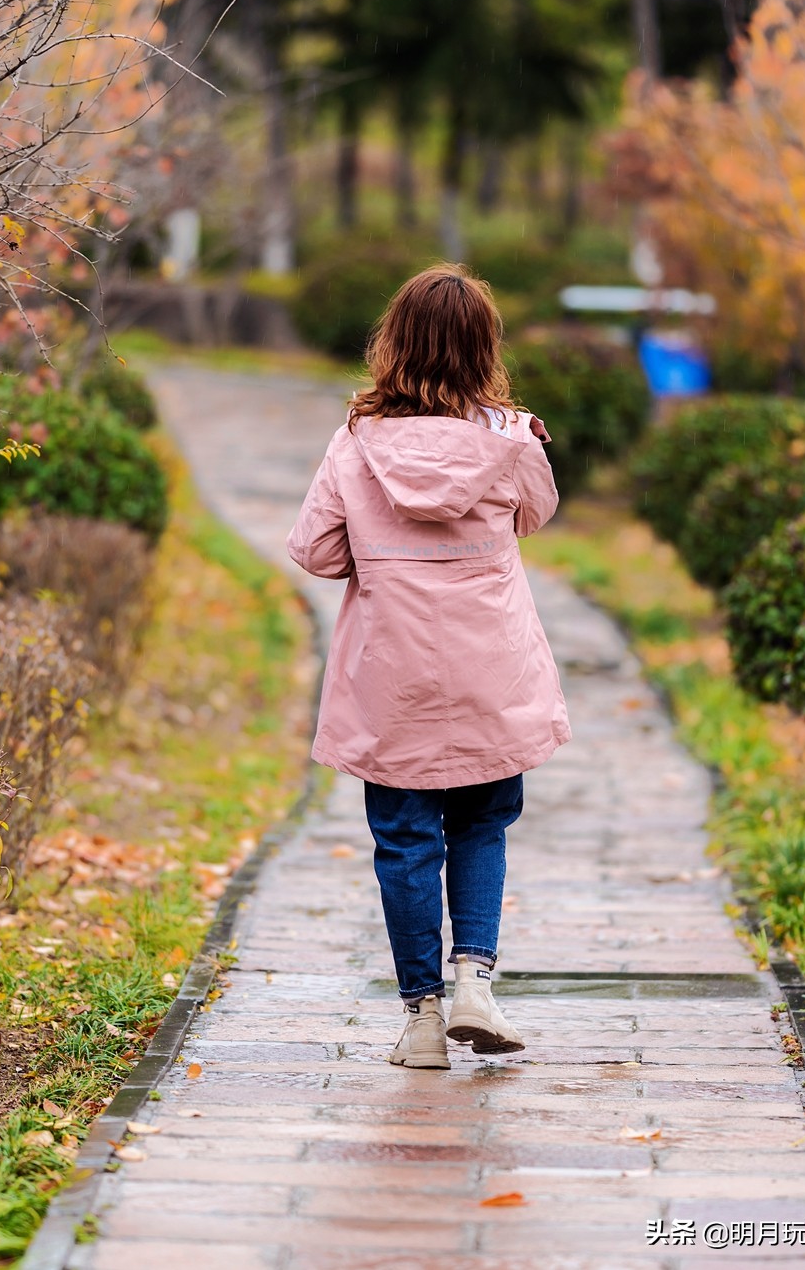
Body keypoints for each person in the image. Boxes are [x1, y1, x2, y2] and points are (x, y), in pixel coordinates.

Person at [286, 263, 571, 1070]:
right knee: (482, 820)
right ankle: (475, 980)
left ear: (394, 343)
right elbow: (538, 515)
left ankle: (420, 1021)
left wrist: (380, 550)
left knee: (407, 839)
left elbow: (313, 548)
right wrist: (522, 439)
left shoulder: (356, 440)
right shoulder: (510, 440)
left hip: (393, 676)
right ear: (485, 347)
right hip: (491, 670)